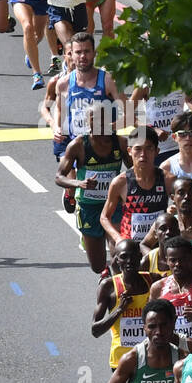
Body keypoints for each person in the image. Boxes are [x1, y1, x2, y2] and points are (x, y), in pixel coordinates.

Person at [55, 116, 125, 275]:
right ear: (88, 122)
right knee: (98, 266)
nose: (100, 123)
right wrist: (79, 183)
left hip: (113, 205)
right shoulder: (78, 145)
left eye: (103, 118)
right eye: (95, 119)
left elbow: (133, 170)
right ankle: (106, 276)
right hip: (88, 207)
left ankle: (118, 285)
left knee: (119, 252)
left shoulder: (119, 142)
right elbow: (59, 177)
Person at [55, 32, 124, 164]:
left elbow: (130, 113)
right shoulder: (63, 83)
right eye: (78, 52)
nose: (82, 56)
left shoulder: (108, 80)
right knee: (70, 182)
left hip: (103, 146)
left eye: (87, 51)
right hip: (75, 145)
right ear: (71, 55)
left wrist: (108, 127)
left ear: (94, 53)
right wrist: (57, 128)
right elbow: (59, 109)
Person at [102, 127, 173, 245]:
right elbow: (104, 217)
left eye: (149, 148)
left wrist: (174, 211)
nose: (143, 154)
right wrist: (118, 239)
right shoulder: (120, 182)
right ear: (129, 151)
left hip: (159, 246)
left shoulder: (167, 179)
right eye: (138, 149)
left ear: (157, 151)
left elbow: (184, 207)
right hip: (131, 248)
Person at [92, 239, 153, 370]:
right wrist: (119, 310)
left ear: (140, 257)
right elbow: (95, 330)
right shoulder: (108, 287)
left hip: (151, 358)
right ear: (117, 260)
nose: (129, 261)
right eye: (124, 257)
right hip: (121, 360)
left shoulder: (153, 281)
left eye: (133, 256)